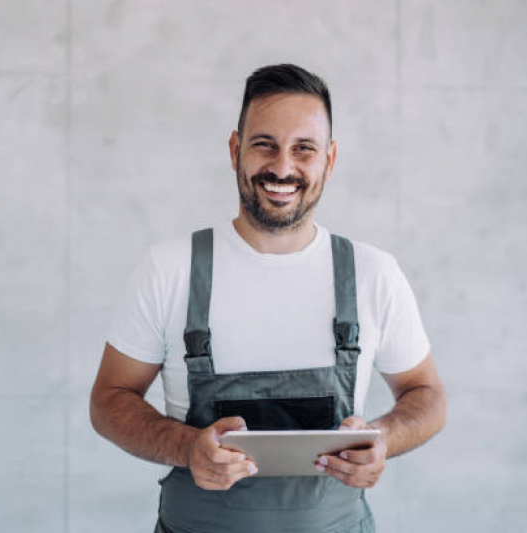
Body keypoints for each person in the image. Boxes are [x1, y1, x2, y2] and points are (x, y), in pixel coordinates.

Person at [90, 64, 446, 533]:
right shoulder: (169, 269)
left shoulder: (373, 273)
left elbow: (428, 395)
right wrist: (186, 447)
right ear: (236, 150)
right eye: (265, 145)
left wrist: (381, 438)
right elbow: (109, 400)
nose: (282, 167)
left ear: (329, 159)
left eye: (304, 149)